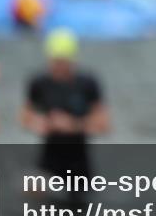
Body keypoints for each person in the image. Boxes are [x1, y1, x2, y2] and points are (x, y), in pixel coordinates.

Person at [20, 28, 109, 200]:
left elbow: (103, 124)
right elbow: (25, 118)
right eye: (55, 62)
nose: (59, 67)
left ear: (72, 60)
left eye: (63, 62)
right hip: (48, 162)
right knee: (32, 194)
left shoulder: (87, 84)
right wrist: (42, 123)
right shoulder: (39, 83)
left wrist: (73, 125)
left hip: (79, 166)